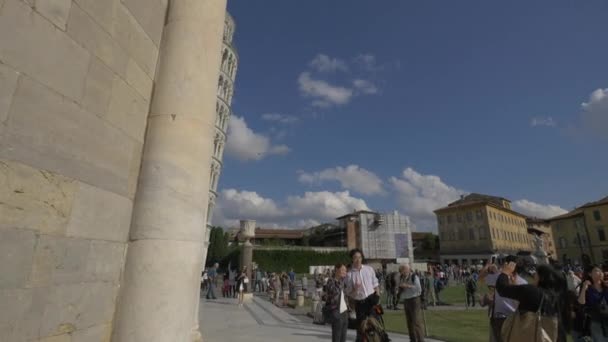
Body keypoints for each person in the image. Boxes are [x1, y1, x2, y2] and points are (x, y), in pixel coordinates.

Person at [496, 262, 571, 342]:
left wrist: (505, 273)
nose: (534, 275)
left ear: (541, 277)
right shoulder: (554, 297)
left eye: (536, 273)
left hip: (526, 336)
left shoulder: (530, 291)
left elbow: (502, 289)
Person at [480, 256, 528, 342]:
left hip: (500, 318)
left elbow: (481, 277)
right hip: (516, 319)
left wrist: (487, 266)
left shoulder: (498, 278)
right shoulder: (524, 282)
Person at [345, 249, 380, 342]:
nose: (358, 260)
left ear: (362, 258)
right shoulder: (349, 275)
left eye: (359, 257)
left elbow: (375, 283)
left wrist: (377, 295)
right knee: (361, 325)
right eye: (355, 257)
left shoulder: (369, 269)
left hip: (371, 299)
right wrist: (354, 289)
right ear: (352, 259)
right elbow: (348, 292)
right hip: (360, 302)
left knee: (374, 323)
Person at [577, 264, 608, 341]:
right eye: (597, 271)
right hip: (596, 321)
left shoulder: (606, 286)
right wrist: (584, 287)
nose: (600, 273)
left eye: (601, 271)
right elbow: (581, 302)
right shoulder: (588, 288)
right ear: (590, 274)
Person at [398, 264, 425, 342]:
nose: (402, 272)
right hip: (406, 300)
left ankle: (420, 340)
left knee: (416, 322)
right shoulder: (402, 278)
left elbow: (418, 289)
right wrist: (399, 289)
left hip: (414, 300)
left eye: (403, 269)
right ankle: (412, 339)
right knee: (409, 322)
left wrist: (408, 286)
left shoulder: (414, 277)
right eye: (401, 270)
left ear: (408, 270)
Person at [323, 263, 349, 342]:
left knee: (343, 337)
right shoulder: (331, 281)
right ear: (337, 270)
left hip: (344, 311)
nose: (345, 272)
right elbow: (334, 292)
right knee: (337, 336)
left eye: (345, 270)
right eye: (343, 270)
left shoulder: (342, 282)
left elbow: (346, 296)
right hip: (336, 311)